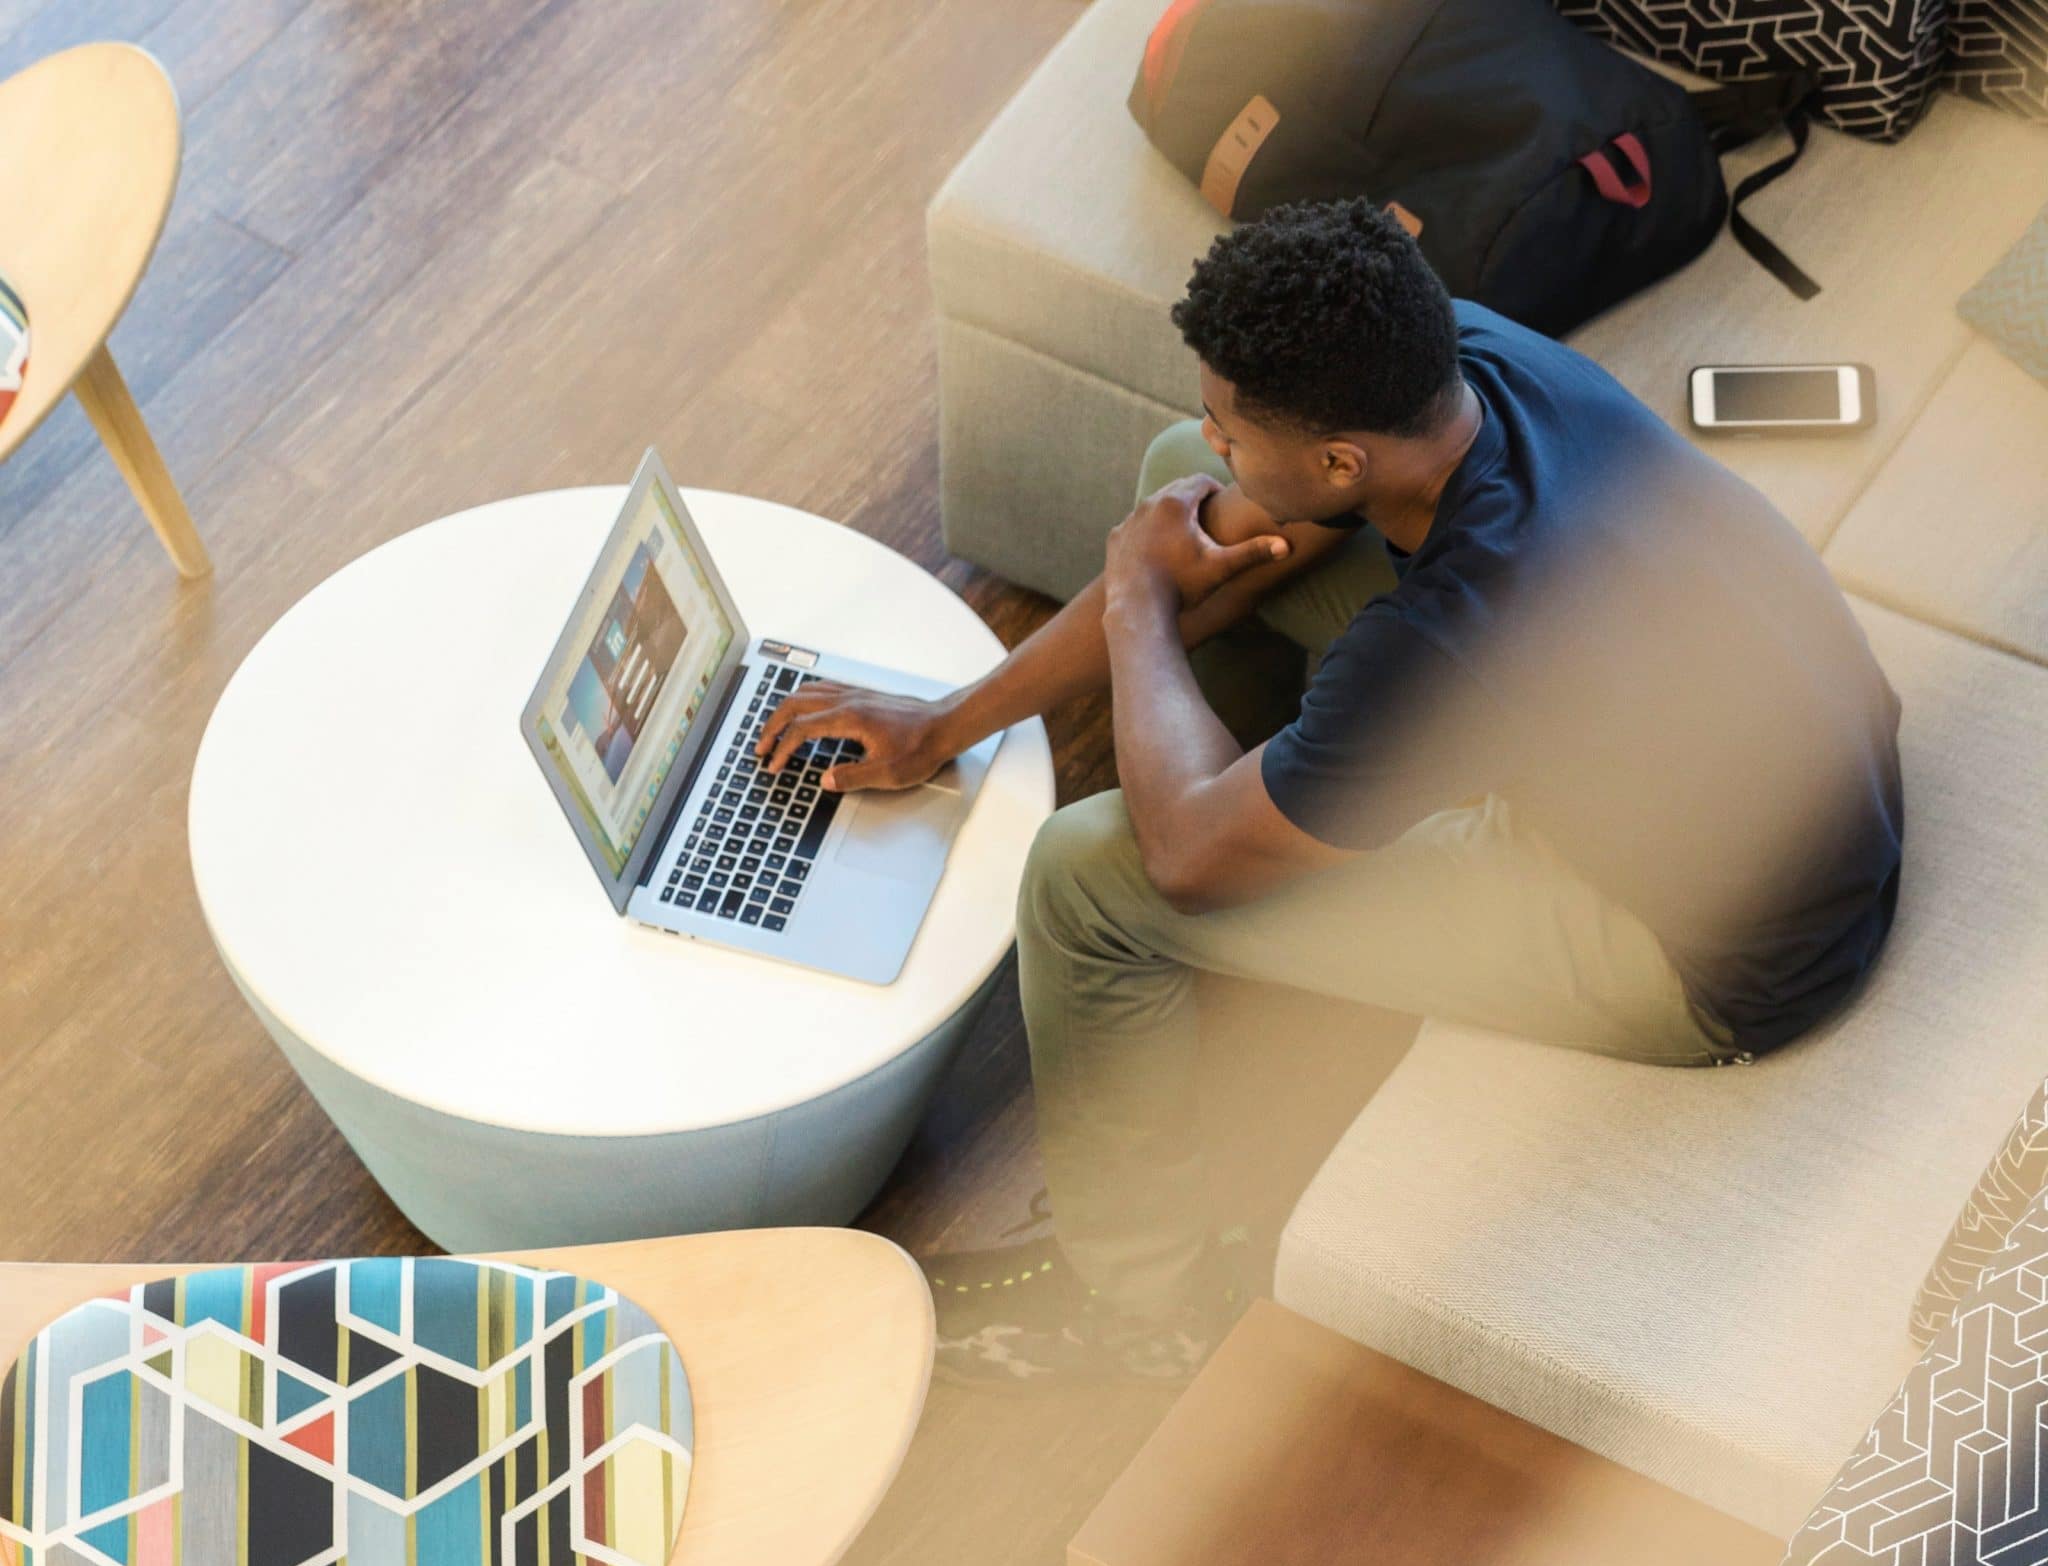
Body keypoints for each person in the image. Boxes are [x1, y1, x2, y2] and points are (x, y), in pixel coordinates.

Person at [753, 197, 1904, 1385]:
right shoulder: (1456, 359)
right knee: (1172, 490)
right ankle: (1276, 815)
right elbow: (1224, 515)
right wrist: (946, 723)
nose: (1214, 440)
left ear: (1344, 460)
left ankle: (1136, 1304)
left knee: (1085, 877)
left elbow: (1182, 858)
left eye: (1231, 426)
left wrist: (1138, 603)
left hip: (1707, 950)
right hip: (1783, 770)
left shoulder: (1461, 624)